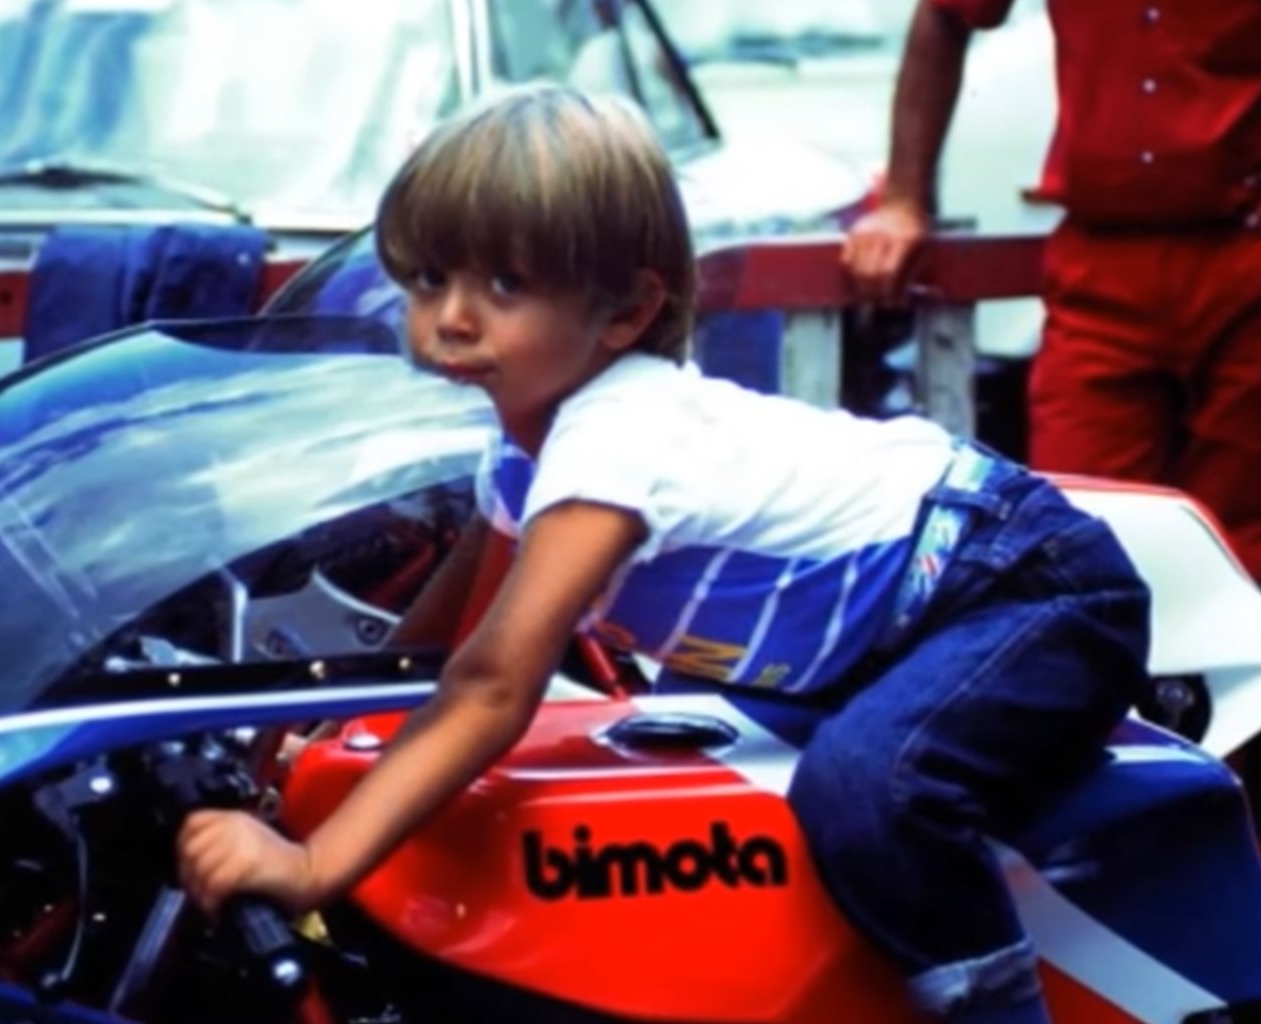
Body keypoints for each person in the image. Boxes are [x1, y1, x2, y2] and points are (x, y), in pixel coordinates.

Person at [176, 85, 1152, 1024]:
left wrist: (312, 866)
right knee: (685, 773)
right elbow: (435, 651)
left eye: (504, 284)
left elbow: (491, 686)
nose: (452, 317)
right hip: (899, 624)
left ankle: (997, 1009)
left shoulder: (616, 437)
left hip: (1020, 587)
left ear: (625, 311)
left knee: (868, 789)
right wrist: (302, 747)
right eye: (430, 278)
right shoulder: (523, 453)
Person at [842, 0, 1261, 584]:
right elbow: (944, 16)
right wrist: (903, 200)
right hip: (1101, 264)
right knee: (1074, 538)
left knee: (1252, 551)